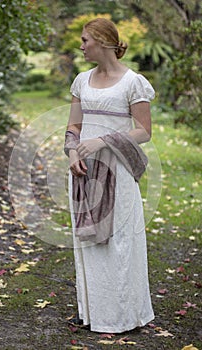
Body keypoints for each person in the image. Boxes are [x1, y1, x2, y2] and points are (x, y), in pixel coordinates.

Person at [64, 17, 155, 333]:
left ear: (102, 41)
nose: (81, 45)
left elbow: (144, 131)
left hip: (117, 170)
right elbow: (74, 126)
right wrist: (73, 152)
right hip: (85, 171)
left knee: (119, 243)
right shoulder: (81, 80)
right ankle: (91, 312)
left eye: (85, 40)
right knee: (89, 244)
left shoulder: (133, 82)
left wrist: (103, 140)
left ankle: (121, 316)